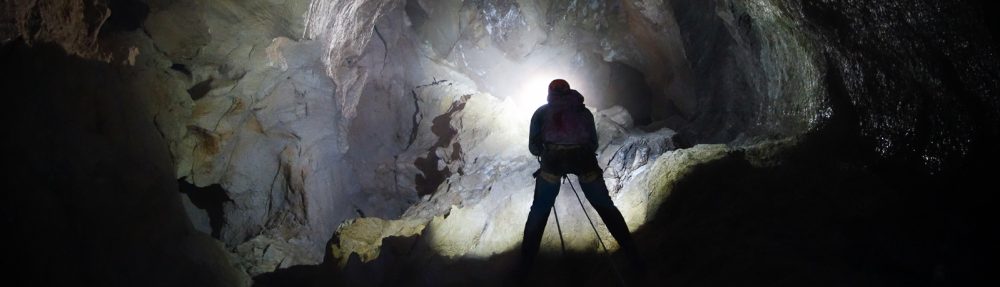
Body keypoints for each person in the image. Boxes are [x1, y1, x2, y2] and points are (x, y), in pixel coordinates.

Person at [520, 79, 642, 274]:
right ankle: (633, 256)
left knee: (540, 209)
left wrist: (548, 151)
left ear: (549, 93)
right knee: (605, 207)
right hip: (584, 161)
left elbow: (533, 148)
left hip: (553, 162)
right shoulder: (583, 112)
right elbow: (593, 143)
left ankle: (524, 267)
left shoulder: (541, 112)